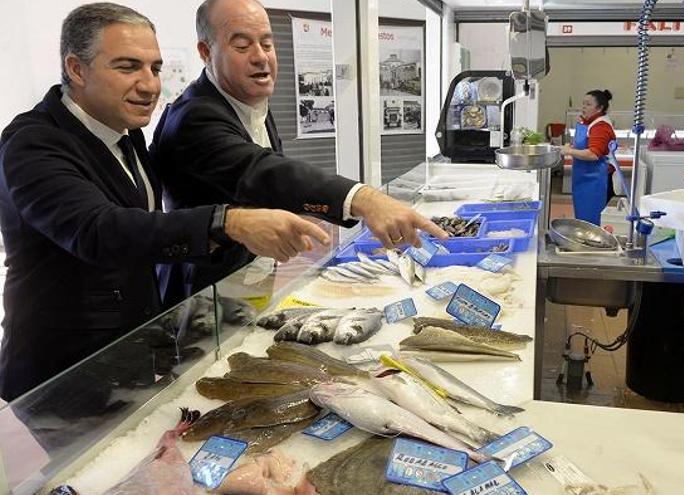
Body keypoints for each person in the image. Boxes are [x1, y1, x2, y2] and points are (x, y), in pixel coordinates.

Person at [0, 3, 330, 401]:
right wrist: (229, 222)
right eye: (127, 67)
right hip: (66, 371)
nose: (149, 84)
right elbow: (99, 230)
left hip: (131, 350)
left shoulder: (127, 134)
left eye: (154, 68)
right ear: (76, 68)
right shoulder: (32, 143)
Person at [151, 0, 446, 299]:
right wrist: (364, 198)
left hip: (253, 279)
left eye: (267, 44)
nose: (260, 57)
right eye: (242, 46)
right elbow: (261, 170)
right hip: (205, 297)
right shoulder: (194, 117)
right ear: (205, 52)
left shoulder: (250, 101)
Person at [561, 89, 616, 225]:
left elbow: (593, 154)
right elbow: (583, 145)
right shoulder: (588, 123)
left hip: (595, 180)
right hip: (584, 178)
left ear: (600, 108)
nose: (583, 107)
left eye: (588, 104)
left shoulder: (601, 126)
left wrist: (568, 151)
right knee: (583, 219)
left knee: (591, 222)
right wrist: (572, 147)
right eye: (583, 103)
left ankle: (591, 245)